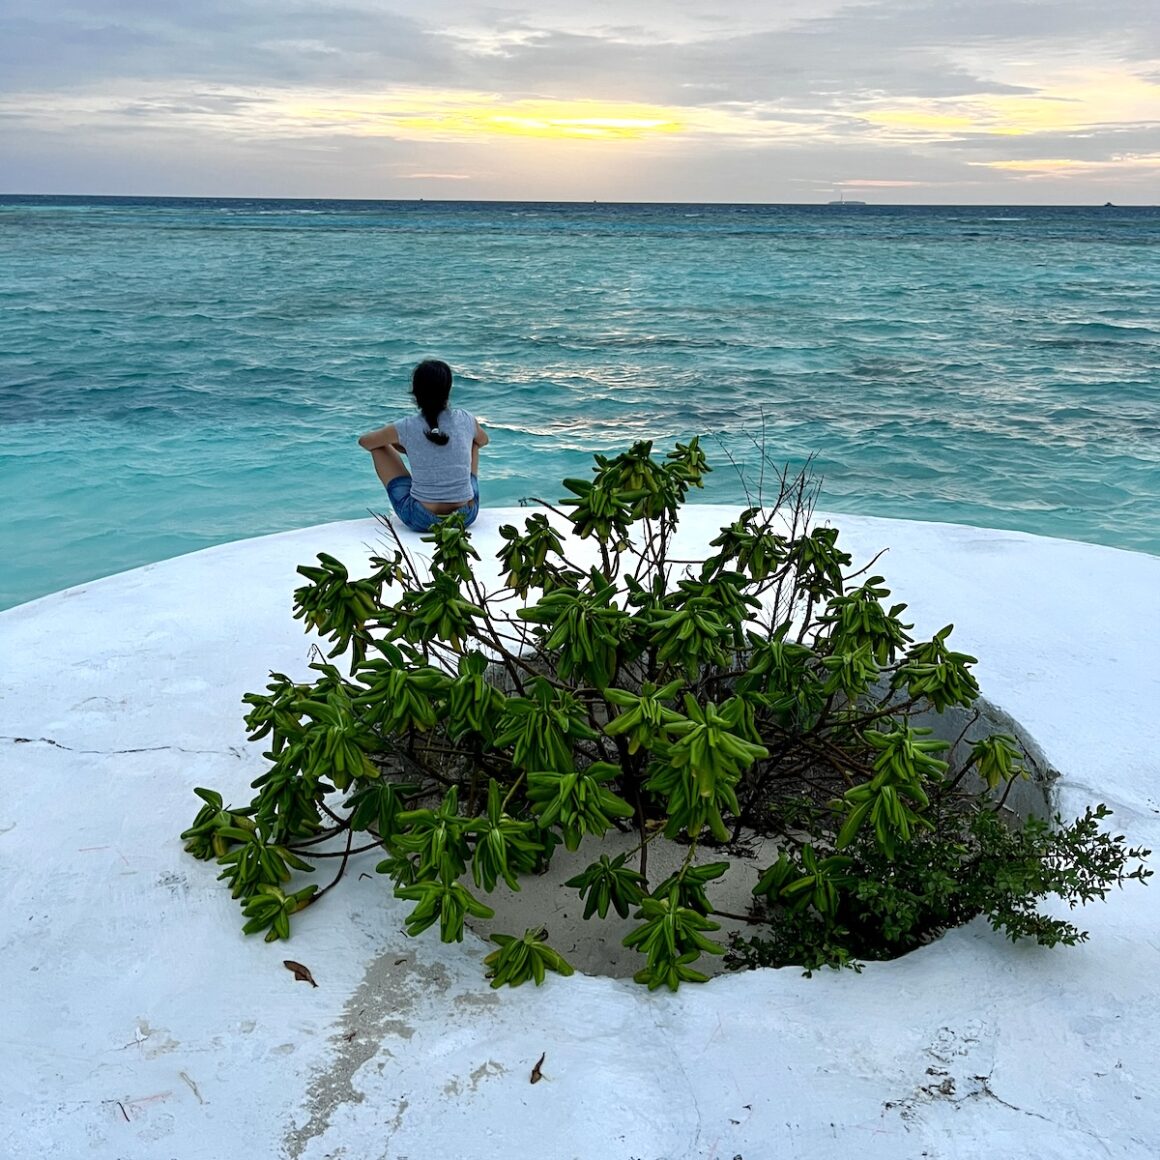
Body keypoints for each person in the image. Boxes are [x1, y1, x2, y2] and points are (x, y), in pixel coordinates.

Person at [358, 359, 488, 532]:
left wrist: (400, 444)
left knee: (379, 447)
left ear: (416, 392)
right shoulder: (466, 418)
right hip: (465, 516)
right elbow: (484, 440)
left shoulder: (406, 426)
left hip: (423, 519)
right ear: (448, 390)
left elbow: (365, 442)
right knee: (474, 441)